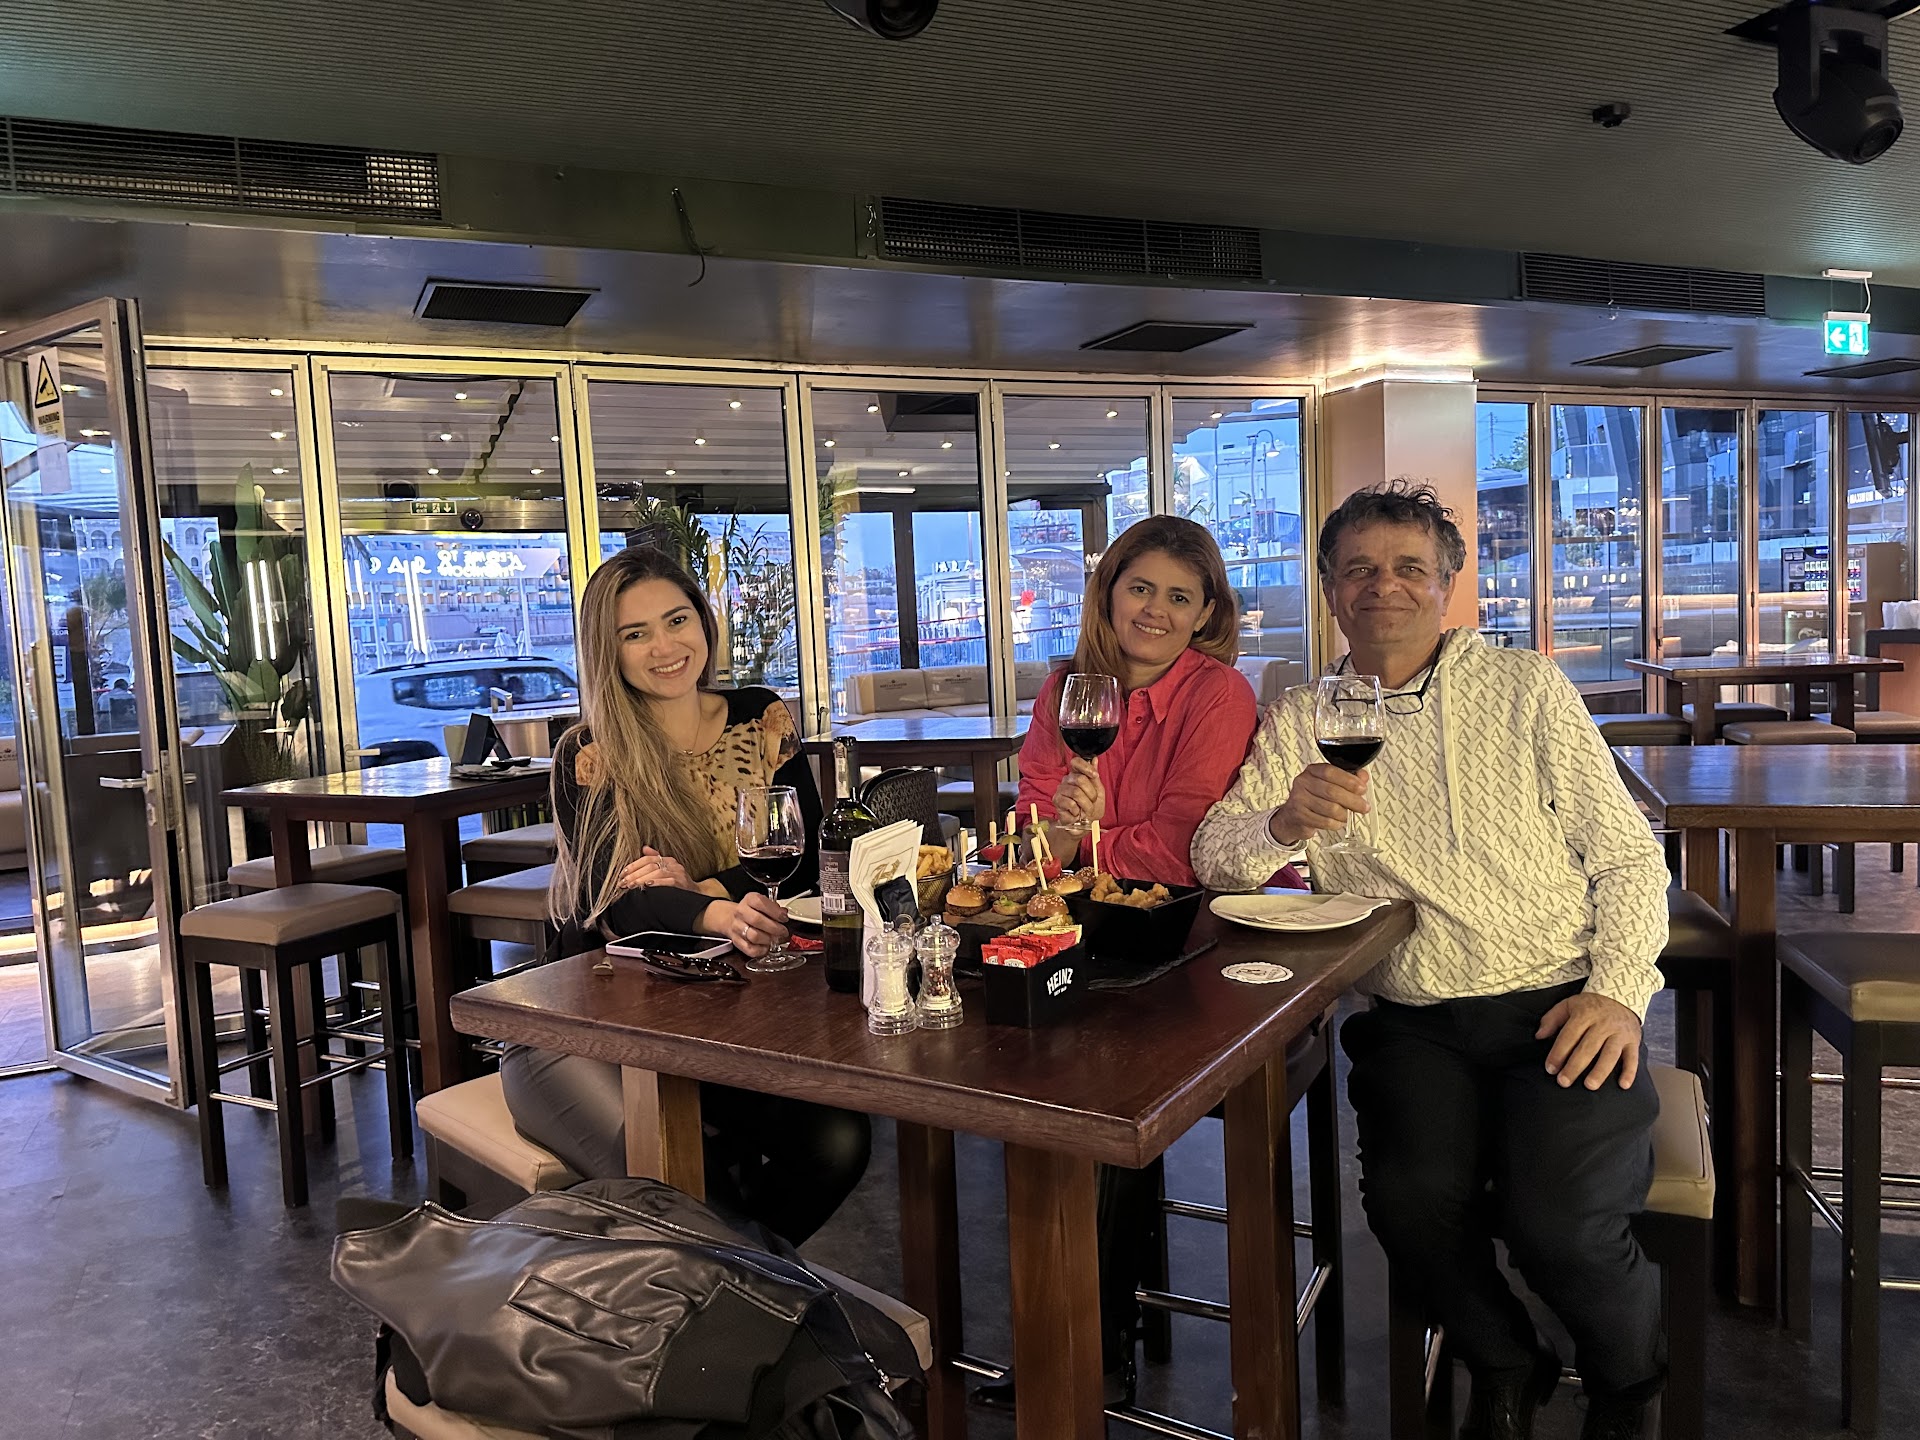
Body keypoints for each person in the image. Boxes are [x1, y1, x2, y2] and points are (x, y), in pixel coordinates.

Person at [1191, 481, 1669, 1440]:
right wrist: (1282, 822)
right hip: (1414, 1021)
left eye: (1410, 567)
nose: (1385, 586)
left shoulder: (1526, 687)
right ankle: (1504, 1358)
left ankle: (1630, 1389)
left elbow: (1628, 857)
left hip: (1560, 1006)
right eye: (1359, 569)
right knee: (1409, 1207)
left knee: (1561, 1227)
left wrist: (1618, 994)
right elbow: (1214, 852)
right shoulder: (1301, 716)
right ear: (1330, 589)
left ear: (1448, 584)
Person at [976, 515, 1297, 1412]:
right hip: (1083, 937)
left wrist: (1082, 840)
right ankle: (1068, 1321)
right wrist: (1065, 838)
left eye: (1180, 597)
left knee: (1096, 1082)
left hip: (1193, 946)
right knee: (1014, 1066)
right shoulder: (1067, 690)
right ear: (1109, 592)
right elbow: (1028, 839)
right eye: (1141, 587)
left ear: (1207, 614)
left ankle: (1086, 1344)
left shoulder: (1217, 694)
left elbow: (1186, 850)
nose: (1155, 610)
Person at [501, 545, 870, 1247]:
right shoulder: (591, 751)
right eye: (635, 634)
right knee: (695, 1201)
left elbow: (804, 859)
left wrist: (699, 888)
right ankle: (751, 1293)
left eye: (677, 620)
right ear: (608, 651)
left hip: (717, 1017)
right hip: (584, 1030)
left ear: (703, 620)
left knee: (837, 1141)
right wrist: (719, 911)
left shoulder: (761, 715)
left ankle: (739, 1289)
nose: (665, 647)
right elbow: (618, 903)